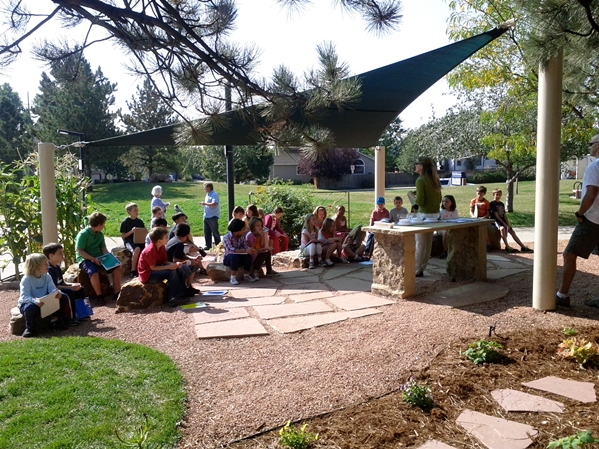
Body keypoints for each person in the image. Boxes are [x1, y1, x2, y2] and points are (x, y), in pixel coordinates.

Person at [556, 134, 599, 308]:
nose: (589, 147)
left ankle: (562, 295)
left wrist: (580, 213)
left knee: (569, 255)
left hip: (592, 220)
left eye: (591, 143)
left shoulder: (595, 167)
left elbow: (591, 193)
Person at [18, 253, 71, 337]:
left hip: (44, 301)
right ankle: (30, 328)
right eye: (45, 264)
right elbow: (24, 296)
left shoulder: (47, 276)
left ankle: (56, 321)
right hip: (30, 303)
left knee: (63, 297)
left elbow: (52, 289)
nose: (48, 265)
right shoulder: (26, 279)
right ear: (36, 266)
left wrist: (58, 293)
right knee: (29, 308)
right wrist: (35, 301)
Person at [138, 227, 192, 307]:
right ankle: (173, 298)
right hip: (148, 274)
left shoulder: (162, 247)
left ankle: (182, 293)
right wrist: (169, 267)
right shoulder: (150, 250)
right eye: (166, 237)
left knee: (180, 268)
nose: (168, 239)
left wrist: (174, 264)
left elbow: (164, 261)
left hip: (156, 270)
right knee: (171, 272)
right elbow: (153, 268)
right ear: (159, 241)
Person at [76, 212, 122, 306]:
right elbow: (80, 251)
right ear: (99, 224)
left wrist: (111, 258)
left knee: (117, 267)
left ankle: (117, 293)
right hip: (86, 258)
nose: (104, 226)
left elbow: (103, 249)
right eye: (103, 224)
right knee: (93, 273)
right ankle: (99, 296)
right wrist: (93, 259)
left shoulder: (100, 235)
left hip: (100, 257)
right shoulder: (83, 234)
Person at [412, 156, 442, 277]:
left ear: (422, 166)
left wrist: (413, 197)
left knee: (419, 243)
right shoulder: (435, 179)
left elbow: (420, 201)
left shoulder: (420, 180)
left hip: (424, 215)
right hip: (435, 215)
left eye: (417, 164)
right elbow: (439, 199)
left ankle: (415, 269)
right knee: (427, 243)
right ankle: (421, 268)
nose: (415, 166)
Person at [43, 243, 85, 325]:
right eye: (60, 253)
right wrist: (71, 288)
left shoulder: (57, 267)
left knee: (81, 289)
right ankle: (70, 318)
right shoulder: (49, 269)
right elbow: (55, 286)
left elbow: (62, 282)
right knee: (69, 292)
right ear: (51, 256)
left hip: (59, 288)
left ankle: (81, 313)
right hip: (52, 292)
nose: (62, 255)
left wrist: (73, 285)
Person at [489, 189, 533, 254]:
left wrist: (507, 223)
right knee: (503, 229)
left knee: (512, 231)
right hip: (496, 221)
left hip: (503, 221)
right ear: (493, 195)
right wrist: (504, 224)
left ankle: (523, 246)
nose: (498, 196)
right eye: (496, 195)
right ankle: (507, 246)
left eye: (499, 195)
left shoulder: (501, 204)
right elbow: (496, 216)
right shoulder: (492, 203)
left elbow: (504, 215)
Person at [165, 223, 202, 296]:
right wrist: (189, 262)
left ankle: (189, 286)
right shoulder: (179, 244)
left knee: (195, 264)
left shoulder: (174, 239)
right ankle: (185, 288)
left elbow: (181, 255)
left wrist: (192, 259)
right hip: (171, 265)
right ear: (187, 235)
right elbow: (175, 260)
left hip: (169, 263)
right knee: (187, 267)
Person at [223, 218, 257, 285]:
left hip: (240, 256)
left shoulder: (242, 236)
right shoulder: (226, 237)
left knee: (248, 257)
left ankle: (246, 275)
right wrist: (244, 250)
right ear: (238, 229)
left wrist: (250, 250)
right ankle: (233, 277)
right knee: (234, 256)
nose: (244, 231)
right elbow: (230, 250)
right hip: (229, 258)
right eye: (243, 229)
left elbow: (244, 246)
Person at [120, 202, 145, 278]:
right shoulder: (125, 222)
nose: (137, 212)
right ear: (129, 212)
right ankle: (133, 271)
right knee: (137, 249)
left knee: (146, 248)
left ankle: (144, 268)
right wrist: (131, 231)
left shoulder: (140, 221)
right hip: (129, 240)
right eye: (135, 210)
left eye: (137, 210)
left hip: (139, 239)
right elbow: (123, 236)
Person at [199, 182, 220, 250]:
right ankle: (208, 245)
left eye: (205, 187)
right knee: (207, 231)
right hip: (206, 216)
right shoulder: (207, 195)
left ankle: (218, 245)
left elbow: (214, 204)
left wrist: (204, 204)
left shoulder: (214, 194)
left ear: (209, 187)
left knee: (215, 231)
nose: (204, 189)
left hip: (213, 216)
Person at [438, 195, 459, 259]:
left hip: (452, 227)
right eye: (443, 201)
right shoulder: (441, 211)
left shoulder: (455, 211)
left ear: (452, 202)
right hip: (442, 228)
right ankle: (445, 250)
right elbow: (440, 222)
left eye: (447, 201)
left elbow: (457, 220)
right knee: (446, 233)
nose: (445, 203)